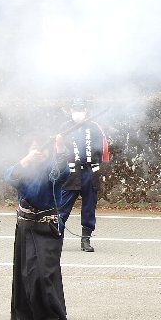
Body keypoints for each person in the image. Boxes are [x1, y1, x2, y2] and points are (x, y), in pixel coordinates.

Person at [6, 138, 70, 320]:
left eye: (44, 148)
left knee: (42, 272)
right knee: (25, 271)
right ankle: (27, 313)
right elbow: (9, 177)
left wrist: (59, 148)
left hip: (47, 227)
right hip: (25, 225)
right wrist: (26, 160)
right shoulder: (24, 168)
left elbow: (61, 172)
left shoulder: (51, 169)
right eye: (35, 148)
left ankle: (50, 315)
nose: (40, 151)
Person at [57, 99, 109, 252]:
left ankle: (86, 240)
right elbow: (59, 149)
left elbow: (103, 149)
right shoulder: (65, 127)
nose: (78, 112)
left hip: (89, 173)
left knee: (89, 208)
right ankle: (56, 237)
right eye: (75, 109)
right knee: (62, 206)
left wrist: (98, 167)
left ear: (86, 110)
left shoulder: (95, 127)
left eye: (80, 109)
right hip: (71, 172)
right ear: (70, 110)